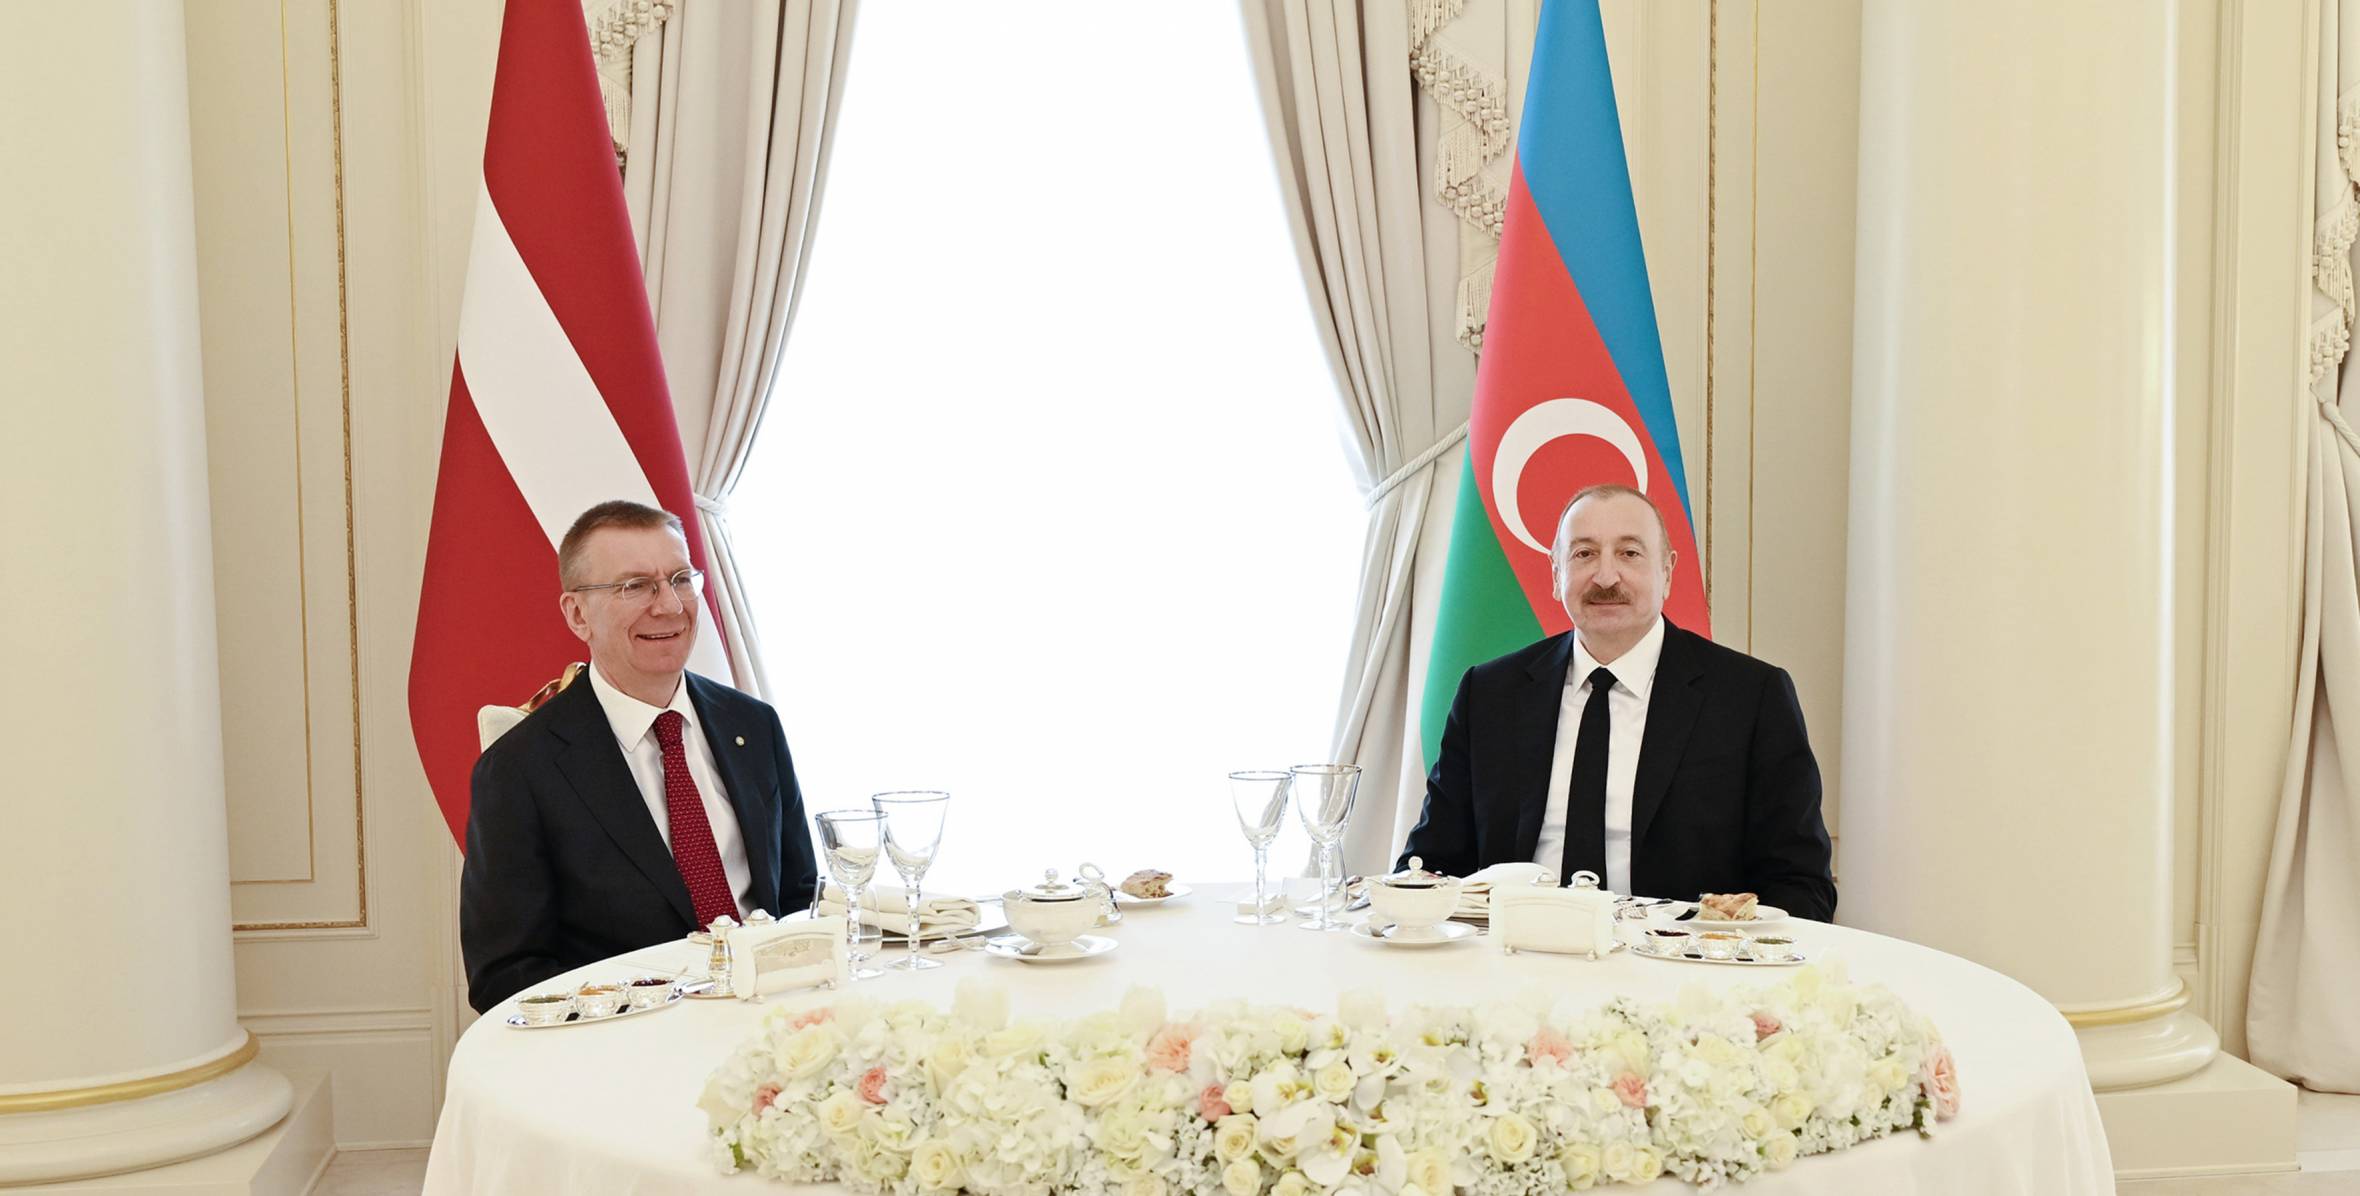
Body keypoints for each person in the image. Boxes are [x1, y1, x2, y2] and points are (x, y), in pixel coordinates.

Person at [1399, 483, 1836, 921]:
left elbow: (1799, 885)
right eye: (1584, 554)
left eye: (1629, 553)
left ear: (1667, 572)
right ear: (1556, 574)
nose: (1606, 578)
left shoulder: (1751, 698)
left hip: (1679, 956)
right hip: (1512, 948)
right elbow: (1427, 866)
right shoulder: (1488, 694)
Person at [461, 500, 819, 1011]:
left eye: (680, 579)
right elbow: (504, 973)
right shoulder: (519, 770)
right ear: (577, 614)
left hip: (771, 1021)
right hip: (626, 1040)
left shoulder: (754, 726)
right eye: (636, 586)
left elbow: (800, 899)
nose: (670, 606)